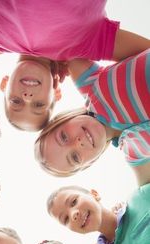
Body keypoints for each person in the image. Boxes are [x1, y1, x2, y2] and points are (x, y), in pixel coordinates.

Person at [0, 0, 150, 132]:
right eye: (38, 104)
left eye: (16, 101)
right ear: (56, 92)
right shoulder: (86, 44)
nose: (27, 96)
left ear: (5, 84)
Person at [34, 48, 150, 185]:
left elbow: (64, 45)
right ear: (91, 162)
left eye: (63, 137)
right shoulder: (134, 152)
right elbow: (145, 194)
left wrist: (51, 70)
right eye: (75, 157)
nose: (77, 143)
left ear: (63, 119)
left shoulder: (92, 85)